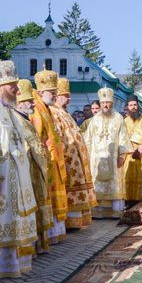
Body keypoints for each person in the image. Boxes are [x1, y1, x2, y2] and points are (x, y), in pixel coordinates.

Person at [0, 58, 38, 278]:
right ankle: (1, 267)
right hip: (2, 176)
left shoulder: (6, 109)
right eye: (12, 84)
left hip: (16, 176)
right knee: (3, 219)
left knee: (16, 218)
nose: (16, 88)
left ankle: (15, 265)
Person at [13, 79, 54, 254]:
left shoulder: (25, 119)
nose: (33, 104)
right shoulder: (16, 119)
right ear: (19, 103)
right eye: (29, 101)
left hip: (36, 170)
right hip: (27, 172)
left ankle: (39, 244)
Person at [50, 78, 97, 228]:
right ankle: (69, 221)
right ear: (57, 96)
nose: (69, 98)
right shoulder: (54, 113)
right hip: (68, 161)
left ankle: (76, 220)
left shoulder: (64, 112)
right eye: (67, 95)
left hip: (76, 162)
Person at [30, 67, 68, 244]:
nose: (55, 95)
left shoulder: (45, 106)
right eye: (53, 92)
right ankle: (50, 234)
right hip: (46, 161)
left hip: (54, 162)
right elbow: (36, 136)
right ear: (42, 91)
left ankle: (55, 233)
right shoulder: (37, 109)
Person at [84, 88, 133, 218]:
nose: (106, 105)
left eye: (108, 103)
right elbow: (88, 140)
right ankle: (98, 213)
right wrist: (87, 157)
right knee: (97, 185)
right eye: (104, 103)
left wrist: (122, 156)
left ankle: (115, 212)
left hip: (114, 159)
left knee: (114, 185)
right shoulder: (94, 120)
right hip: (97, 160)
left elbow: (123, 138)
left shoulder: (118, 118)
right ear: (100, 104)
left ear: (112, 103)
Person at [122, 95, 142, 207]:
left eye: (135, 105)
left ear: (138, 106)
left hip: (141, 155)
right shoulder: (123, 122)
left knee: (141, 177)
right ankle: (128, 201)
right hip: (128, 157)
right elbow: (120, 139)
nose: (133, 107)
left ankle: (140, 201)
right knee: (127, 178)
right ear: (127, 107)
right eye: (131, 105)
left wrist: (140, 150)